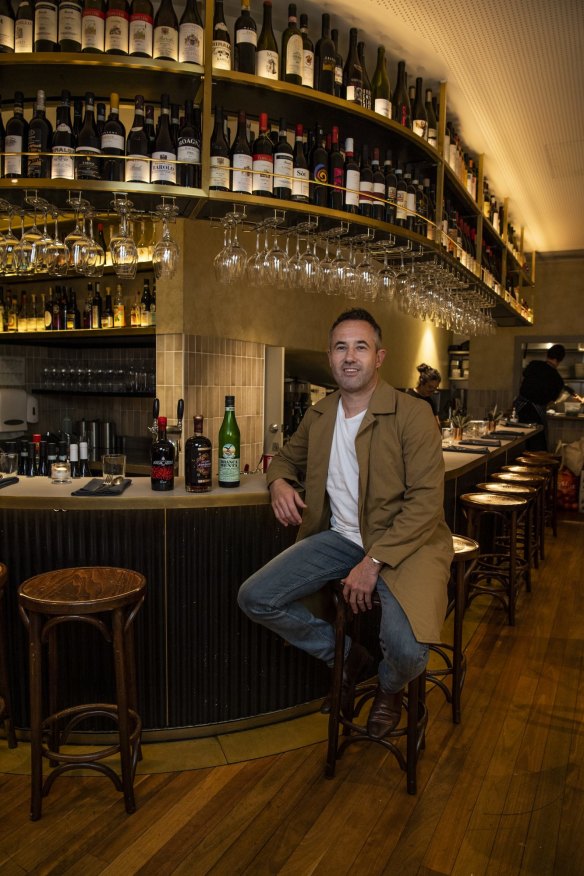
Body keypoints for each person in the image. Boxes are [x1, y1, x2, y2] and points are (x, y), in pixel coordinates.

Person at [238, 309, 453, 739]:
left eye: (360, 347)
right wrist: (279, 481)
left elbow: (426, 504)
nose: (349, 357)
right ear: (330, 357)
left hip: (405, 545)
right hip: (340, 539)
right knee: (256, 597)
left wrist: (372, 562)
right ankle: (348, 657)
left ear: (379, 356)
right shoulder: (321, 415)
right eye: (340, 347)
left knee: (411, 653)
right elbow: (283, 459)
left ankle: (390, 689)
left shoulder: (413, 414)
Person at [514, 344, 583, 451]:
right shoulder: (557, 380)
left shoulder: (533, 365)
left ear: (548, 355)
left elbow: (525, 379)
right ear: (560, 360)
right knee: (536, 444)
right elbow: (552, 400)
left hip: (519, 409)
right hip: (535, 414)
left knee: (519, 442)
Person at [406, 363, 442, 430]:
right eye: (430, 387)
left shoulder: (430, 401)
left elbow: (436, 423)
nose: (432, 390)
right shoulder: (408, 397)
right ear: (422, 382)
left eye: (435, 388)